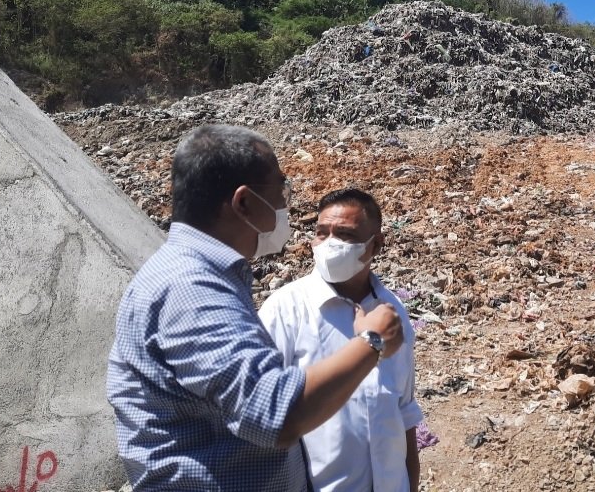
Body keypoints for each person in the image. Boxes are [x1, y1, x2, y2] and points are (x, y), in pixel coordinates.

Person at [106, 125, 403, 492]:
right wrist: (371, 342)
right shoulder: (191, 289)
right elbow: (276, 414)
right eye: (280, 191)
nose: (285, 207)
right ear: (244, 202)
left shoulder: (204, 276)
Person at [260, 188, 423, 492]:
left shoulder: (392, 310)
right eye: (322, 233)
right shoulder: (285, 310)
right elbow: (266, 413)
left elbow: (404, 412)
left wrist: (411, 484)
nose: (330, 244)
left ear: (376, 244)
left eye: (345, 235)